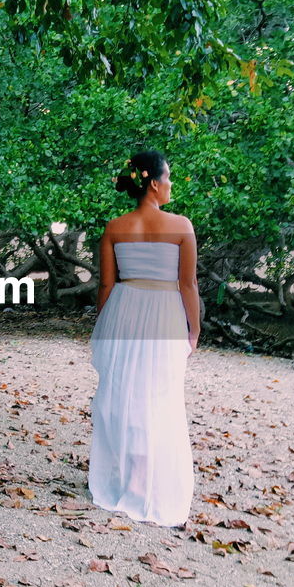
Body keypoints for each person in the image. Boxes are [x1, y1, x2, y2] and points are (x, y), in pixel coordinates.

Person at [87, 149, 199, 528]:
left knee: (122, 395)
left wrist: (105, 323)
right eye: (168, 179)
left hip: (123, 308)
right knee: (160, 395)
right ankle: (147, 482)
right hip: (165, 312)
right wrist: (194, 328)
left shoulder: (115, 227)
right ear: (153, 183)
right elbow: (188, 284)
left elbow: (105, 283)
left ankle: (128, 479)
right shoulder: (181, 226)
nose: (170, 186)